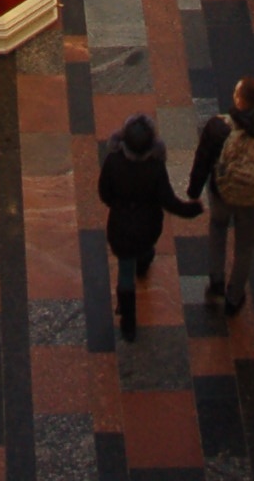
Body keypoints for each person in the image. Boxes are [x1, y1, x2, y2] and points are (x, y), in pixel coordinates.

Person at [97, 115, 201, 341]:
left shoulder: (113, 162)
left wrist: (118, 205)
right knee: (144, 250)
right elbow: (169, 201)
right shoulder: (155, 167)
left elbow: (104, 192)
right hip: (147, 227)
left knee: (125, 273)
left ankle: (128, 323)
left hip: (121, 228)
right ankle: (143, 264)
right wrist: (191, 210)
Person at [187, 77, 254, 315]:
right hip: (252, 198)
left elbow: (202, 161)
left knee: (218, 229)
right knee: (245, 246)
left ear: (238, 98)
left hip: (222, 192)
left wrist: (194, 191)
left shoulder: (217, 127)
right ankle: (234, 297)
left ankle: (216, 281)